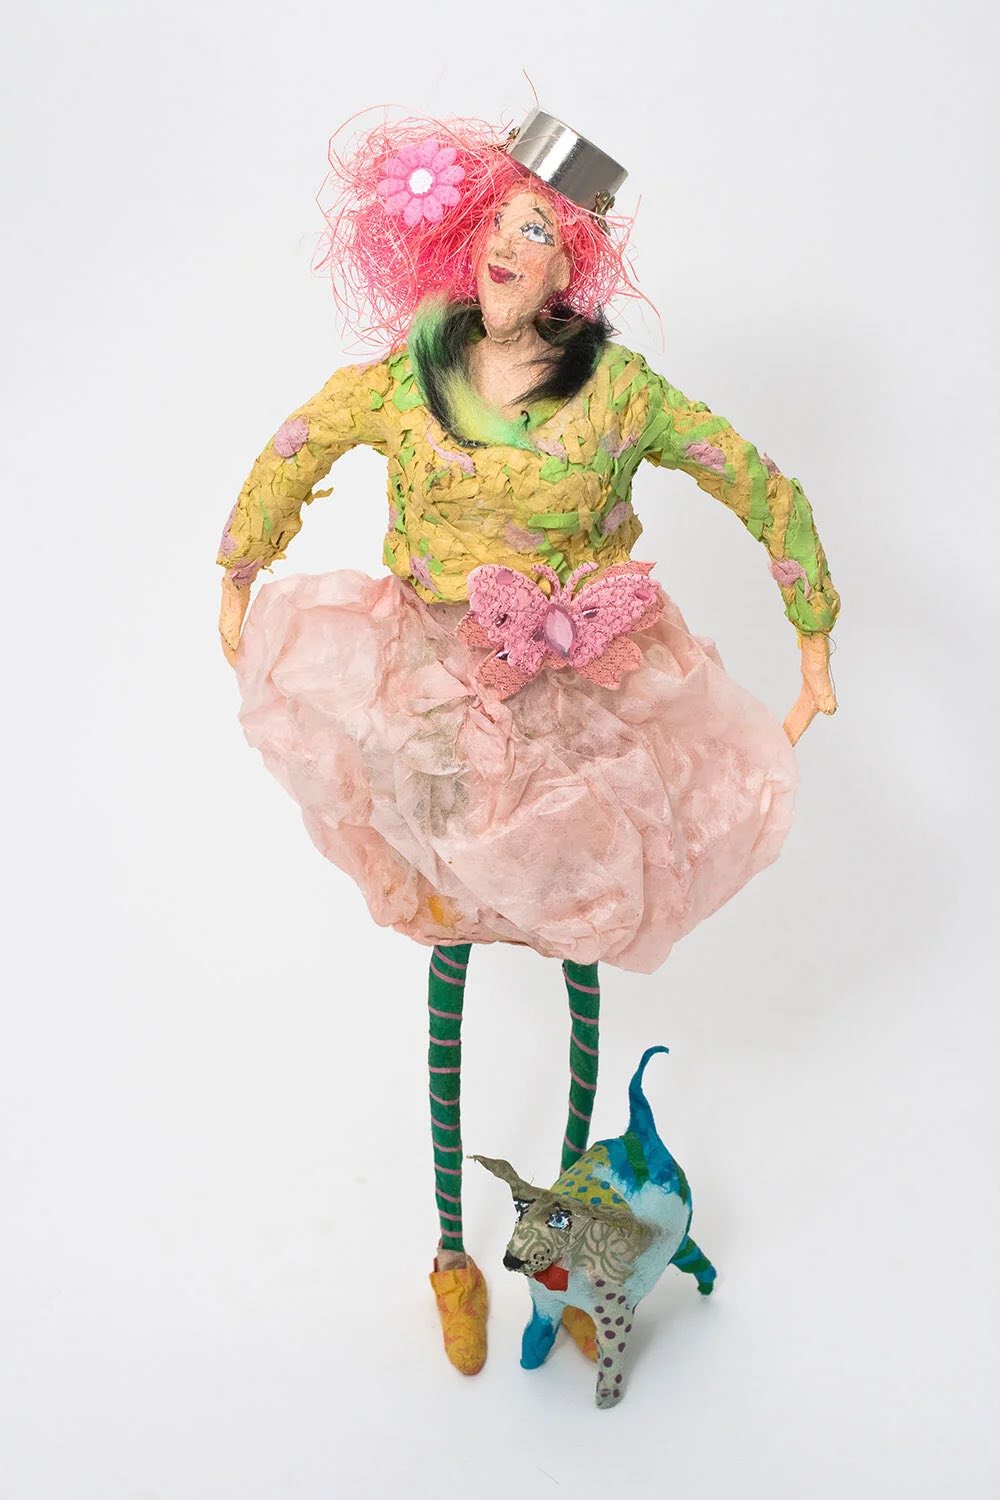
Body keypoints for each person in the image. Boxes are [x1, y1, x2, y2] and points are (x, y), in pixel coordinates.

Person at [216, 108, 839, 1378]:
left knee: (580, 951)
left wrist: (812, 632)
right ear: (464, 234)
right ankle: (452, 1256)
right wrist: (239, 566)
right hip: (435, 708)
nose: (510, 244)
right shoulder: (411, 371)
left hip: (577, 711)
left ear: (572, 263)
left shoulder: (619, 394)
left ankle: (571, 1249)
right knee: (446, 955)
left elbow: (758, 482)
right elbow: (300, 439)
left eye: (539, 230)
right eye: (497, 220)